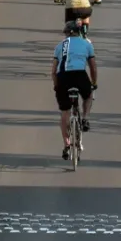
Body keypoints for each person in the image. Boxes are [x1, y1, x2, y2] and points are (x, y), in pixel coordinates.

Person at [50, 20, 97, 157]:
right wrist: (94, 83)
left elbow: (53, 71)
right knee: (88, 96)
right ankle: (85, 118)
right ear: (79, 32)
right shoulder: (87, 44)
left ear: (66, 34)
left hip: (63, 77)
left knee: (65, 112)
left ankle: (66, 144)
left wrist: (56, 85)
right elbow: (93, 67)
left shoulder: (59, 46)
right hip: (79, 75)